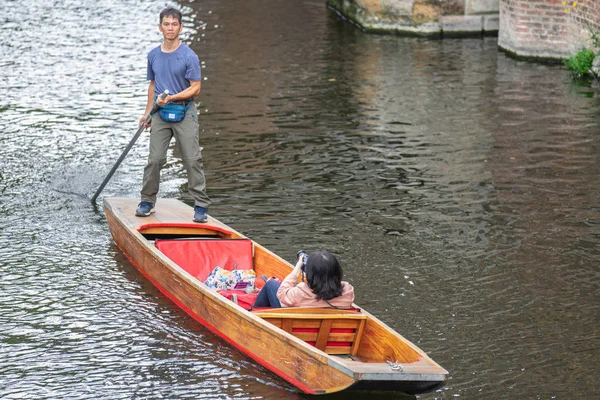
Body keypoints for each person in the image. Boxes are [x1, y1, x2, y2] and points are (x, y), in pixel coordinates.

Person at [136, 7, 210, 223]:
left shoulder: (189, 56)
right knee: (155, 159)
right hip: (160, 113)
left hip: (184, 111)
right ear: (160, 27)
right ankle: (147, 201)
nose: (170, 28)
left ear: (180, 27)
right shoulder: (153, 55)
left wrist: (173, 97)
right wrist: (147, 112)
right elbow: (153, 85)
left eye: (174, 24)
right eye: (166, 24)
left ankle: (201, 206)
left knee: (191, 158)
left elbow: (195, 88)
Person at [252, 250, 355, 309]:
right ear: (337, 272)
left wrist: (297, 268)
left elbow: (281, 294)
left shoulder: (301, 292)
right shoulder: (348, 292)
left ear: (311, 275)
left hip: (293, 329)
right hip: (332, 335)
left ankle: (253, 313)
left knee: (271, 285)